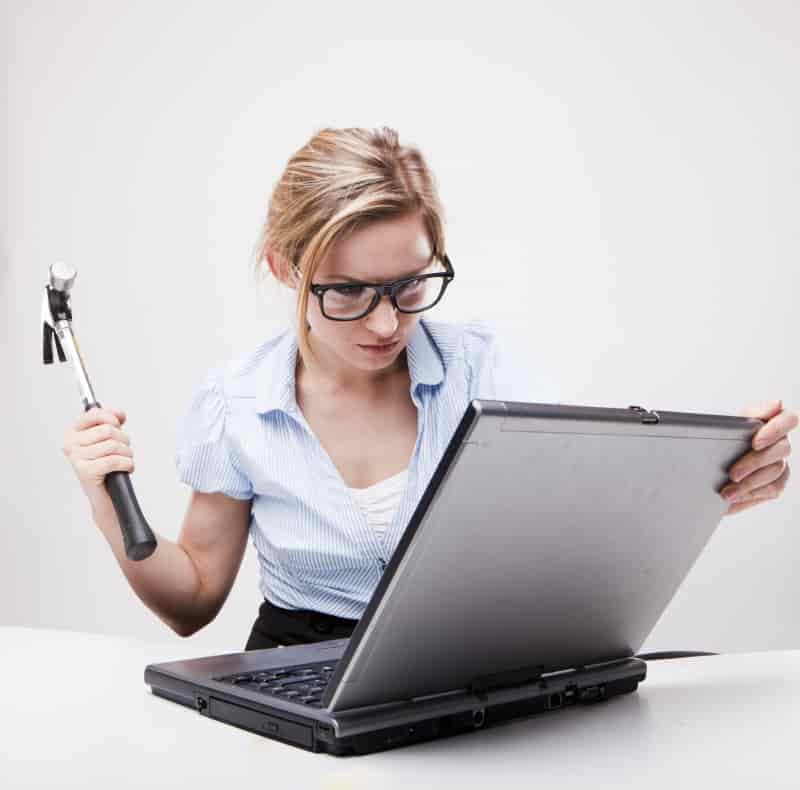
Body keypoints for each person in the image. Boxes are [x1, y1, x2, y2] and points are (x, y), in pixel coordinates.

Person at [62, 126, 797, 650]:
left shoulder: (486, 369)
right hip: (299, 660)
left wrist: (710, 483)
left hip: (467, 657)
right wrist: (105, 501)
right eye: (349, 291)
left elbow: (576, 530)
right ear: (288, 270)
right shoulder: (237, 404)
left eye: (410, 285)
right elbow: (191, 603)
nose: (387, 323)